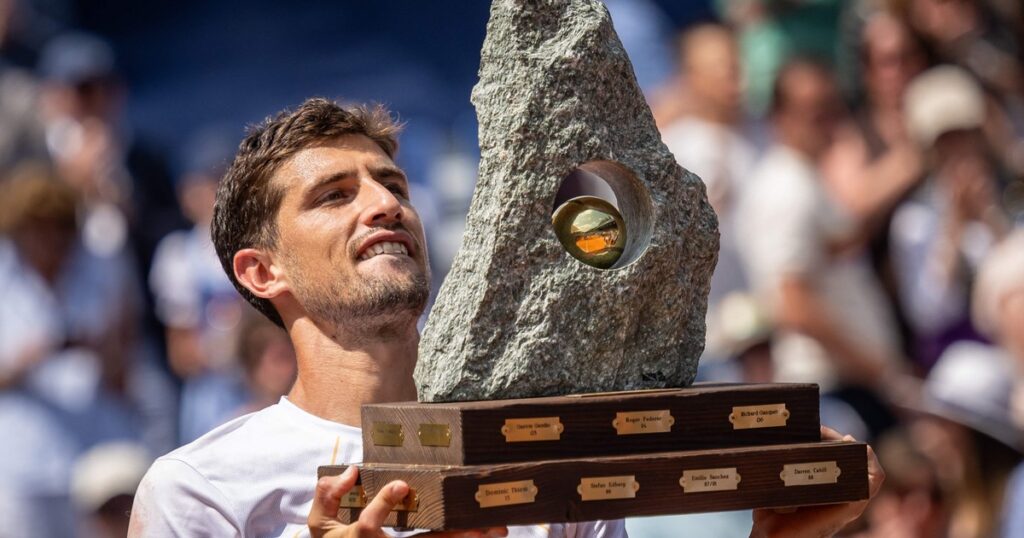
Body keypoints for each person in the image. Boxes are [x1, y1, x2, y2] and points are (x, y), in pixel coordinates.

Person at [128, 98, 882, 537]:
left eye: (391, 182)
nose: (385, 203)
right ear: (263, 271)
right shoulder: (201, 491)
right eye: (335, 195)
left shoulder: (539, 448)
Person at [736, 59, 906, 438]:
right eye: (813, 110)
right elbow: (793, 304)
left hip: (849, 384)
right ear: (780, 116)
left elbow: (841, 245)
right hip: (832, 390)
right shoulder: (785, 189)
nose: (828, 118)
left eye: (832, 105)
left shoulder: (806, 179)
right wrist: (881, 370)